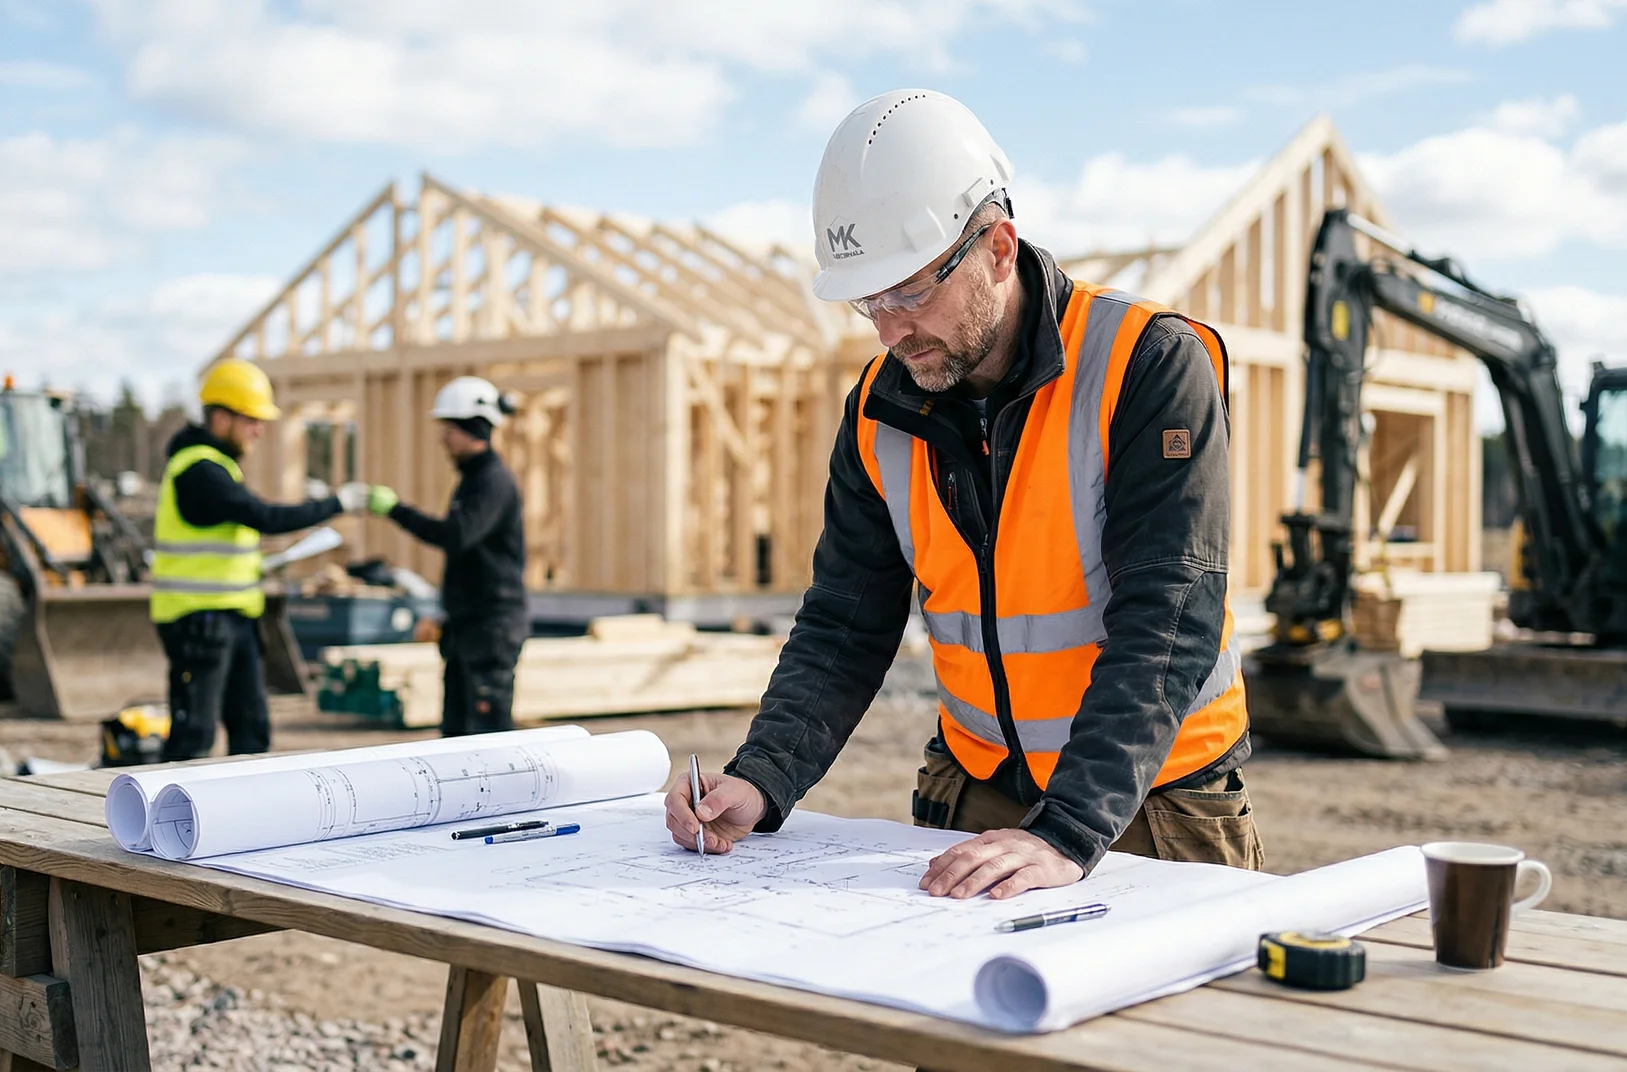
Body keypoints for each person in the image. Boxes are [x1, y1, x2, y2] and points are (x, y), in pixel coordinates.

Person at [666, 89, 1262, 899]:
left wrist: (1067, 828)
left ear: (997, 247)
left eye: (908, 292)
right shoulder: (882, 405)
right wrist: (764, 775)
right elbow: (847, 615)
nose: (889, 329)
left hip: (1148, 802)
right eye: (867, 302)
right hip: (977, 787)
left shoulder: (1146, 365)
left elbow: (1168, 616)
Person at [151, 359, 375, 760]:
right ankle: (170, 821)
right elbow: (265, 517)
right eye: (251, 419)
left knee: (252, 729)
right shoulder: (199, 470)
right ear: (221, 417)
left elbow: (225, 539)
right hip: (199, 622)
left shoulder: (217, 466)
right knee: (193, 734)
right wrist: (338, 503)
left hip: (232, 618)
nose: (259, 429)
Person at [374, 376, 529, 737]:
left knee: (486, 736)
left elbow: (455, 535)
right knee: (458, 736)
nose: (444, 438)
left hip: (490, 628)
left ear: (474, 428)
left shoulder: (491, 481)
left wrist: (396, 510)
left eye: (450, 429)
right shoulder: (474, 480)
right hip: (469, 626)